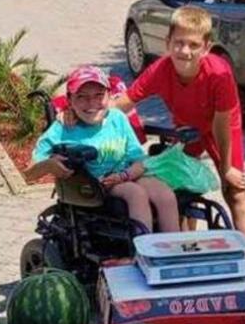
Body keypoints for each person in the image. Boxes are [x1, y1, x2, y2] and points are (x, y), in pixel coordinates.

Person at [115, 7, 245, 251]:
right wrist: (87, 114)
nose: (184, 51)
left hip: (220, 126)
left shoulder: (219, 74)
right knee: (182, 185)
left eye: (193, 45)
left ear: (206, 46)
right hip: (187, 127)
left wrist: (226, 168)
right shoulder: (161, 69)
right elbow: (125, 102)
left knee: (234, 188)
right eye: (179, 43)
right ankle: (188, 247)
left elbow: (221, 124)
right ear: (167, 42)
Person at [25, 65, 180, 234]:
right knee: (136, 193)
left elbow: (139, 159)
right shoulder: (62, 128)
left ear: (109, 95)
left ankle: (172, 250)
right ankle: (142, 251)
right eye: (82, 97)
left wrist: (125, 175)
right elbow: (29, 174)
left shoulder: (117, 118)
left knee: (165, 194)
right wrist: (49, 165)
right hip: (94, 186)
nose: (92, 103)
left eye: (99, 95)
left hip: (127, 174)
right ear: (69, 100)